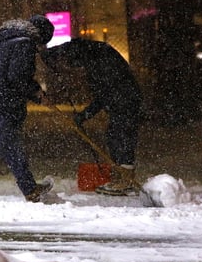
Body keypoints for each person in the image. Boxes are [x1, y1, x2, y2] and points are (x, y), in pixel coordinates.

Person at [41, 38, 143, 195]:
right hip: (122, 98)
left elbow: (105, 94)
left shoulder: (97, 61)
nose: (74, 70)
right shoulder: (89, 52)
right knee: (114, 135)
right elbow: (104, 92)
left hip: (125, 100)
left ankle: (126, 180)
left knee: (121, 135)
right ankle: (122, 177)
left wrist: (85, 115)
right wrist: (49, 56)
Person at [0, 14, 55, 202]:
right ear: (40, 36)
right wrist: (36, 92)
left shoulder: (6, 39)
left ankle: (30, 188)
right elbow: (17, 76)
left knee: (12, 147)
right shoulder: (25, 43)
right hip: (2, 104)